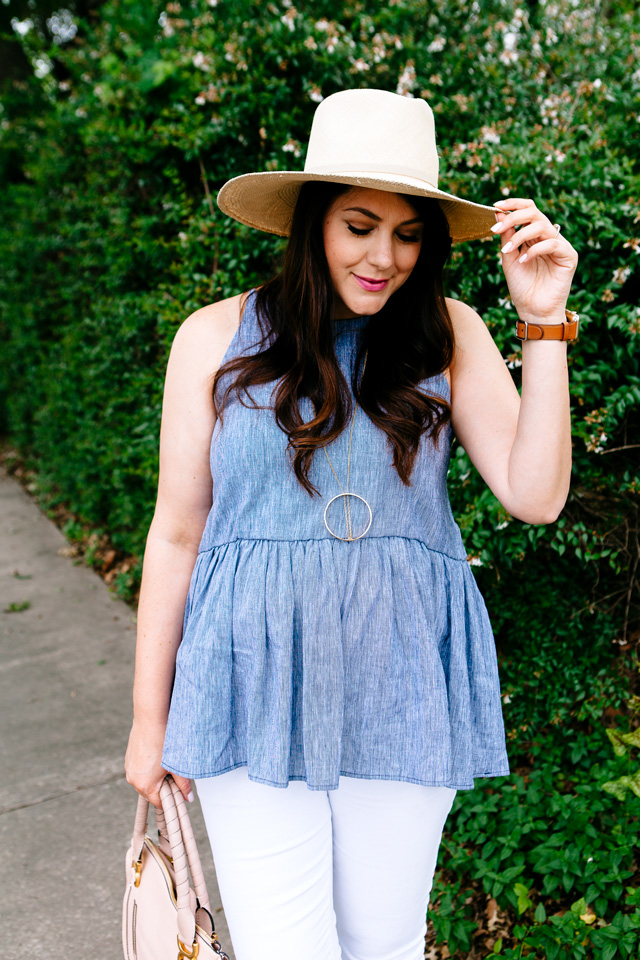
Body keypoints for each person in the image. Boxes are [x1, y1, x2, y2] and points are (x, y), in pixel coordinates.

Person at [125, 88, 578, 960]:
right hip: (245, 682)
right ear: (311, 225)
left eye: (409, 234)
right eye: (360, 226)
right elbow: (178, 533)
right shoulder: (213, 338)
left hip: (402, 682)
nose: (385, 256)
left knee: (385, 943)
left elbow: (537, 494)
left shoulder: (451, 335)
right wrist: (151, 720)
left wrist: (542, 321)